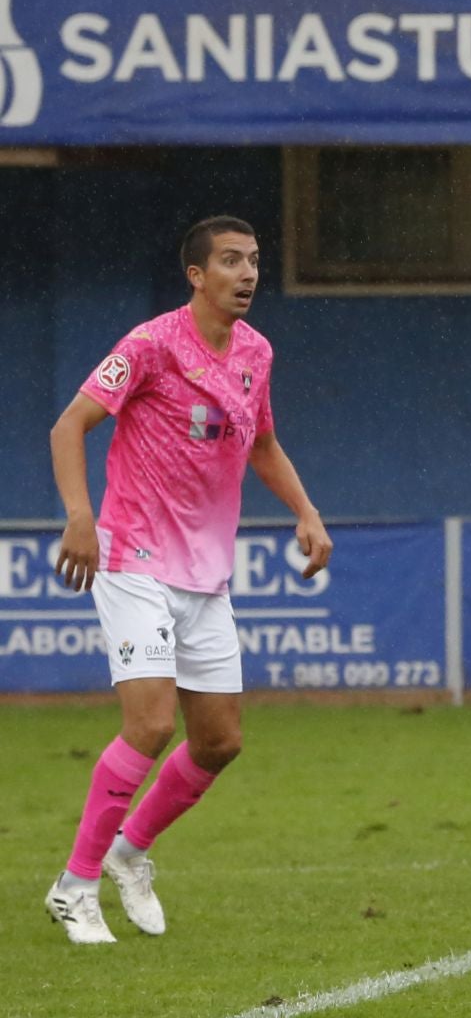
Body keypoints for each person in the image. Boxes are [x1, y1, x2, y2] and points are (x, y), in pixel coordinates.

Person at [45, 216, 333, 945]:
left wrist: (305, 510)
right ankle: (75, 886)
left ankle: (129, 851)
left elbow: (262, 443)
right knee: (149, 724)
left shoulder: (257, 352)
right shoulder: (149, 345)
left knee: (219, 741)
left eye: (255, 260)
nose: (248, 273)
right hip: (133, 555)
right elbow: (68, 426)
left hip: (206, 573)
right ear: (196, 275)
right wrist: (79, 516)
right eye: (231, 260)